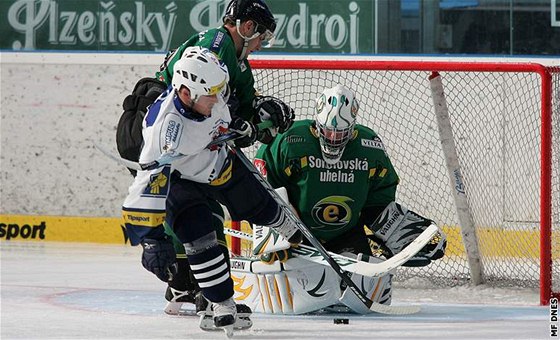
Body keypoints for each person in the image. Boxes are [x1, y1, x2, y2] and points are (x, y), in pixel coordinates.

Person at [116, 0, 294, 316]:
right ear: (247, 27)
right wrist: (150, 239)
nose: (259, 45)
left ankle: (186, 288)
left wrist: (264, 117)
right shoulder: (217, 47)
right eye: (261, 37)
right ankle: (197, 291)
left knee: (204, 210)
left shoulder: (233, 59)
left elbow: (233, 111)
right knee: (195, 212)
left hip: (192, 145)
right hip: (169, 146)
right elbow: (205, 108)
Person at [233, 84, 447, 314]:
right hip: (297, 233)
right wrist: (276, 234)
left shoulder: (369, 146)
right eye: (328, 131)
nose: (334, 138)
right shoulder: (290, 140)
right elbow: (263, 187)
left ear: (352, 126)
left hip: (345, 232)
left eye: (341, 133)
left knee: (367, 291)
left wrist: (399, 230)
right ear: (317, 124)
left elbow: (378, 199)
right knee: (289, 286)